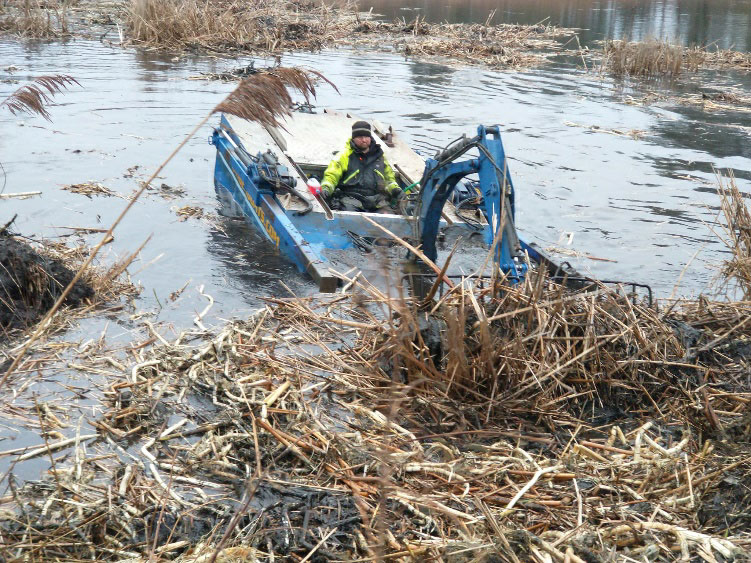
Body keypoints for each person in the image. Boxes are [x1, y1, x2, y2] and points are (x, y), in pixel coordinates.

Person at [320, 121, 404, 212]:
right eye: (360, 137)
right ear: (353, 138)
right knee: (349, 217)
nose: (364, 140)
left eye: (366, 136)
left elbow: (389, 180)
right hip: (351, 199)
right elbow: (331, 176)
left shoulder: (380, 157)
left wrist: (396, 190)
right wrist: (326, 188)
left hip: (377, 201)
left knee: (389, 218)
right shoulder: (344, 156)